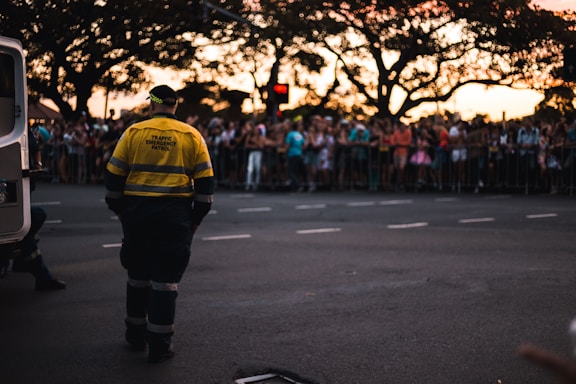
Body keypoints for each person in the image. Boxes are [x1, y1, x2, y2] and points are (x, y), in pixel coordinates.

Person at [104, 84, 214, 363]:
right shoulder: (192, 136)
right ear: (175, 106)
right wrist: (195, 220)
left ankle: (135, 333)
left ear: (151, 104)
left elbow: (113, 178)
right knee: (165, 282)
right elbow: (205, 186)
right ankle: (159, 344)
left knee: (137, 276)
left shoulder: (134, 133)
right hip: (174, 217)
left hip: (137, 215)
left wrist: (120, 212)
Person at [9, 126, 67, 291]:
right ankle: (33, 269)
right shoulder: (20, 130)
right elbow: (34, 147)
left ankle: (26, 261)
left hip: (17, 190)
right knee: (31, 221)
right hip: (14, 191)